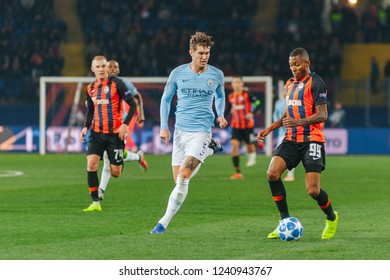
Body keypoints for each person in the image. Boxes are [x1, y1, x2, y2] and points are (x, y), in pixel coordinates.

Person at [258, 47, 339, 240]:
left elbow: (322, 114)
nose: (293, 68)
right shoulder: (289, 84)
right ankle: (284, 221)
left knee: (313, 190)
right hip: (291, 139)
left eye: (297, 64)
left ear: (306, 63)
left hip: (312, 140)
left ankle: (331, 217)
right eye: (291, 65)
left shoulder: (316, 83)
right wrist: (270, 128)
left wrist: (298, 122)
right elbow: (289, 114)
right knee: (272, 173)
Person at [150, 31, 228, 234]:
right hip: (180, 132)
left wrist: (220, 114)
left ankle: (162, 223)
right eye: (201, 53)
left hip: (201, 131)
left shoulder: (216, 74)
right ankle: (210, 151)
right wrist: (164, 126)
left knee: (184, 176)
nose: (205, 57)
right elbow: (165, 99)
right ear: (191, 52)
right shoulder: (178, 73)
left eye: (207, 52)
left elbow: (220, 96)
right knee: (178, 180)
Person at [80, 55, 137, 212]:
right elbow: (91, 109)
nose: (100, 69)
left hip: (115, 135)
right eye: (97, 67)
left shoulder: (117, 84)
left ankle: (122, 158)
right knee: (91, 164)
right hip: (97, 133)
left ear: (107, 68)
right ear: (92, 69)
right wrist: (86, 127)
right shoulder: (90, 88)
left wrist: (125, 125)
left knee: (115, 172)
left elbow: (133, 105)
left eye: (103, 66)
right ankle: (95, 202)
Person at [98, 59, 148, 201]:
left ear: (118, 70)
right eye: (110, 67)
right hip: (105, 126)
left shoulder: (123, 84)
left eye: (116, 67)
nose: (113, 69)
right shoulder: (100, 84)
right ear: (106, 70)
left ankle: (101, 190)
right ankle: (138, 156)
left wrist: (141, 114)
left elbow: (137, 96)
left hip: (121, 125)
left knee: (109, 157)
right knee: (114, 156)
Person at [226, 75, 261, 179]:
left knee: (249, 146)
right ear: (232, 84)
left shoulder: (247, 94)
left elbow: (258, 103)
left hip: (247, 125)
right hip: (236, 125)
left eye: (238, 82)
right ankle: (238, 172)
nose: (236, 84)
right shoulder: (231, 96)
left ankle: (252, 155)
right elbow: (227, 109)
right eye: (234, 82)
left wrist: (252, 113)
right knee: (234, 145)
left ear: (242, 83)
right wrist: (221, 118)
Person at [273, 92, 295, 182]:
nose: (285, 91)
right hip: (281, 133)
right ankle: (277, 173)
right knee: (278, 153)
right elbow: (275, 114)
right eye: (284, 89)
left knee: (291, 154)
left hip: (292, 132)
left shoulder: (294, 102)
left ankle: (290, 174)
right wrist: (278, 123)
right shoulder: (278, 102)